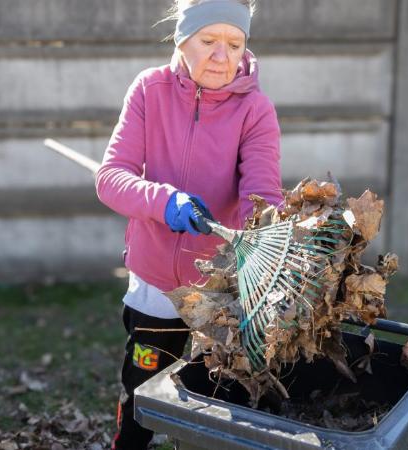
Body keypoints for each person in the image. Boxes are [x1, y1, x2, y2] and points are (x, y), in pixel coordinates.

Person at [94, 0, 281, 448]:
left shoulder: (255, 110)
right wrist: (164, 201)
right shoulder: (149, 90)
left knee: (211, 403)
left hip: (218, 290)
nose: (222, 55)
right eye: (209, 41)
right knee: (142, 387)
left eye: (235, 43)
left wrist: (268, 231)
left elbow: (264, 196)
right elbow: (110, 179)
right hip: (154, 285)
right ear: (182, 39)